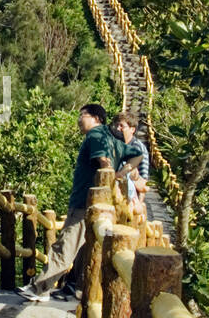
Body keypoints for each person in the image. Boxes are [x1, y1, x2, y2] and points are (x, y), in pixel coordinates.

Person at [18, 103, 144, 302]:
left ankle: (40, 288)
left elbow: (103, 162)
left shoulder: (95, 135)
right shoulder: (112, 139)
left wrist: (112, 174)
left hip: (85, 202)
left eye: (82, 115)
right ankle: (76, 288)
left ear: (96, 118)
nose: (78, 120)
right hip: (102, 204)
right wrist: (120, 174)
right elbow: (138, 155)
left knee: (66, 245)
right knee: (84, 249)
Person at [113, 111, 150, 225]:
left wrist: (138, 203)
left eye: (122, 126)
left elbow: (144, 184)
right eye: (116, 125)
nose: (118, 129)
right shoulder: (114, 145)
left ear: (132, 129)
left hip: (130, 202)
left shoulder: (138, 148)